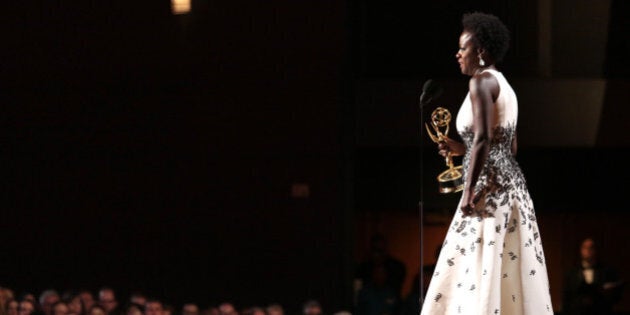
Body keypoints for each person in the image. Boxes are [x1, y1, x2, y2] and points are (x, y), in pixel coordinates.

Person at [420, 12, 553, 314]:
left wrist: (467, 191)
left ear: (479, 52)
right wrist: (459, 148)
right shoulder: (506, 86)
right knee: (504, 267)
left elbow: (482, 139)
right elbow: (510, 146)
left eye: (463, 48)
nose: (458, 54)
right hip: (513, 190)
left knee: (476, 267)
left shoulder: (480, 83)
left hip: (487, 192)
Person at [561, 238, 624, 315]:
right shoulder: (572, 273)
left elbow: (615, 297)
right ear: (581, 250)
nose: (588, 250)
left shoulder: (606, 271)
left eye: (591, 247)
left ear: (596, 250)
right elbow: (566, 298)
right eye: (585, 247)